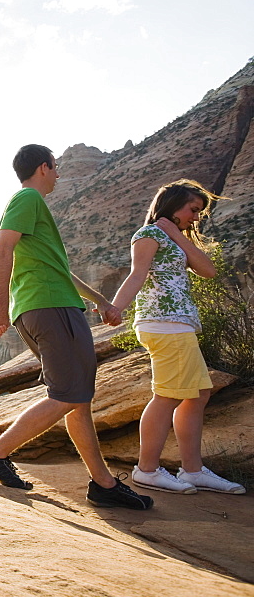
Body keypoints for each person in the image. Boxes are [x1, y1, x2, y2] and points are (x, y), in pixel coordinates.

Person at [0, 144, 154, 510]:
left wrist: (100, 301)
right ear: (43, 167)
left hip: (48, 303)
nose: (58, 174)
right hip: (49, 307)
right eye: (55, 167)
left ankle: (102, 484)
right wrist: (0, 307)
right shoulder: (27, 198)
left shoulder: (33, 207)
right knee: (69, 396)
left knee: (78, 400)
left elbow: (62, 273)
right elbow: (1, 249)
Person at [110, 180, 245, 495]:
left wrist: (177, 235)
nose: (196, 217)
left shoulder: (173, 237)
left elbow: (208, 270)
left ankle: (193, 470)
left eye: (199, 212)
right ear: (171, 204)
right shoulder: (147, 235)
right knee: (167, 396)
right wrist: (116, 308)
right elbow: (137, 274)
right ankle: (146, 470)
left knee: (197, 395)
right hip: (163, 324)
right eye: (192, 210)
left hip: (179, 325)